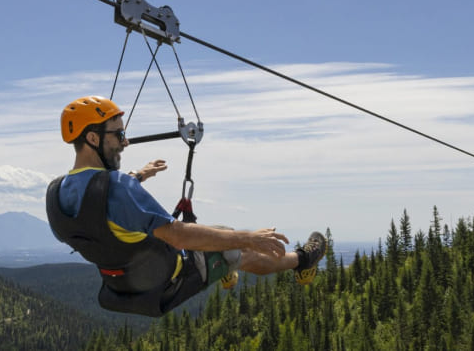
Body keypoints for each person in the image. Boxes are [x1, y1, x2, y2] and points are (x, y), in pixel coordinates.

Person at [44, 95, 328, 317]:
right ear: (93, 138)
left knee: (221, 232)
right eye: (118, 135)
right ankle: (303, 261)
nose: (125, 142)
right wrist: (250, 238)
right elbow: (179, 235)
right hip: (171, 279)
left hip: (120, 286)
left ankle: (228, 267)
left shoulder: (56, 193)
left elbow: (100, 205)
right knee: (243, 249)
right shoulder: (119, 187)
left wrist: (140, 175)